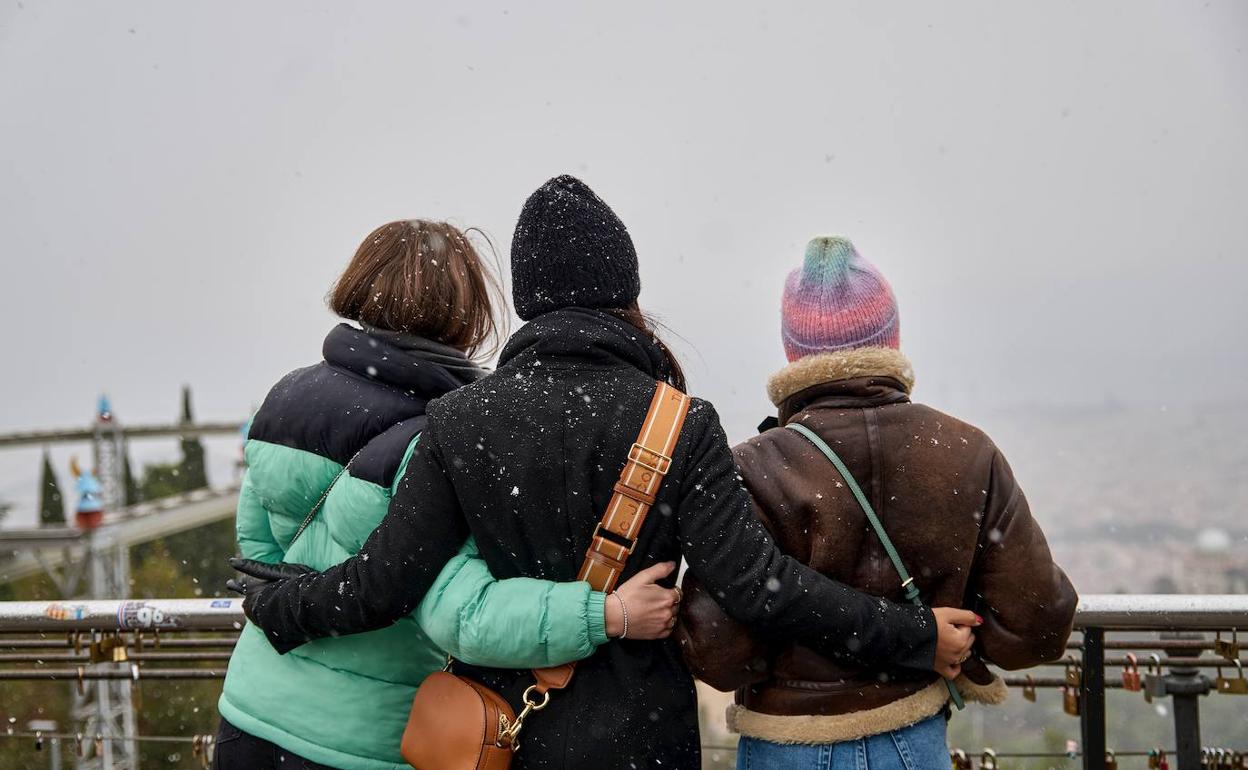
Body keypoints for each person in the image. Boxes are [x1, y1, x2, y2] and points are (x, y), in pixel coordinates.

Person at [231, 177, 979, 769]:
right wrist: (909, 634)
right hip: (637, 739)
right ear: (627, 288)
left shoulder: (460, 421)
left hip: (502, 731)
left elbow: (380, 585)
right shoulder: (677, 419)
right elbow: (760, 587)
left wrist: (275, 605)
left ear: (525, 298)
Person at [216, 219, 678, 770]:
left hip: (247, 714)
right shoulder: (441, 436)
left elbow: (257, 553)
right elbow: (462, 618)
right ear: (468, 312)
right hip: (360, 739)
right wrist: (604, 614)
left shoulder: (286, 397)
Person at [678, 236, 1079, 769]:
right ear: (890, 338)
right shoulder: (964, 452)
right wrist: (947, 641)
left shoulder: (753, 467)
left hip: (785, 745)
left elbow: (715, 650)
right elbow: (1039, 622)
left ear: (793, 351)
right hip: (911, 739)